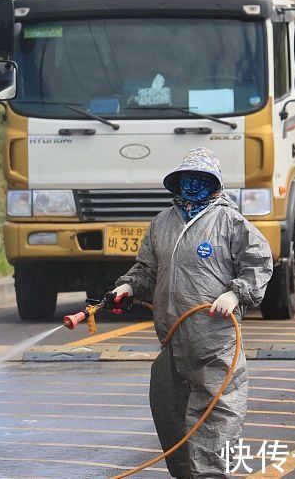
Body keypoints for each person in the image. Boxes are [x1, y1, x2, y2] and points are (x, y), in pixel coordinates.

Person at [108, 147, 273, 479]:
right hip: (172, 344)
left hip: (215, 344)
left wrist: (235, 292)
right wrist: (127, 287)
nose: (193, 186)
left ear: (213, 184)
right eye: (188, 180)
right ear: (177, 183)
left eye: (201, 180)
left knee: (215, 420)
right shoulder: (162, 223)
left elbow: (258, 263)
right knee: (173, 419)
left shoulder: (229, 222)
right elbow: (147, 271)